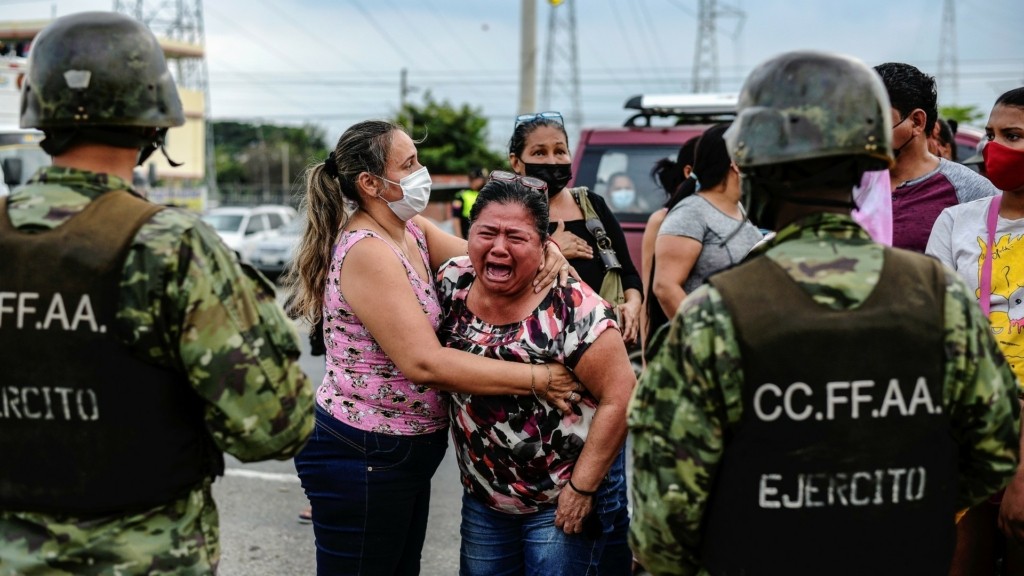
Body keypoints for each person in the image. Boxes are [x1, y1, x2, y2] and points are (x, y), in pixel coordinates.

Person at [629, 50, 1021, 576]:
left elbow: (661, 526)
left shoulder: (715, 315)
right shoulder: (938, 296)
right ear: (873, 161)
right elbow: (994, 451)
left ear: (760, 172)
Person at [0, 12, 315, 574]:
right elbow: (275, 426)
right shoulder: (170, 246)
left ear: (40, 115)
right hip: (143, 557)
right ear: (154, 124)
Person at [286, 120, 578, 575]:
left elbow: (482, 256)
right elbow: (424, 362)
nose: (422, 171)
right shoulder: (368, 249)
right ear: (370, 183)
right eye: (409, 164)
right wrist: (539, 379)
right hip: (363, 452)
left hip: (399, 453)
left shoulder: (410, 228)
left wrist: (542, 250)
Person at [436, 178, 635, 575]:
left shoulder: (574, 308)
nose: (498, 247)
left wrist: (582, 489)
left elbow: (622, 396)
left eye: (516, 237)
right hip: (484, 501)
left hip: (559, 502)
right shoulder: (451, 282)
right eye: (487, 233)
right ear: (468, 234)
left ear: (545, 245)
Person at [926, 86, 1024, 576]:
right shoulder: (955, 221)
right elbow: (935, 327)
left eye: (1013, 135)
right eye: (990, 134)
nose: (993, 148)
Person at [508, 111, 643, 346]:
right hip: (533, 345)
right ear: (516, 162)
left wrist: (632, 305)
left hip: (600, 343)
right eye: (539, 153)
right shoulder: (504, 212)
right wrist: (553, 248)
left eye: (560, 151)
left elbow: (629, 274)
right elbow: (495, 277)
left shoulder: (592, 205)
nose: (552, 161)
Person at [650, 123, 762, 344]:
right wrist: (707, 340)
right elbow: (665, 287)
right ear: (736, 164)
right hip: (714, 350)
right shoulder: (691, 213)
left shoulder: (740, 209)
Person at [874, 62, 998, 253]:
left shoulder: (970, 192)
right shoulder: (849, 185)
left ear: (917, 122)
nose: (866, 131)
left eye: (877, 119)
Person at [641, 136, 699, 348]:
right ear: (688, 171)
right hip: (677, 338)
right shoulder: (662, 220)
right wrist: (648, 356)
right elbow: (648, 295)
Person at [451, 166, 486, 238]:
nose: (482, 181)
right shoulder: (461, 195)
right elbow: (456, 218)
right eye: (480, 179)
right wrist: (458, 236)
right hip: (467, 234)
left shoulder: (487, 194)